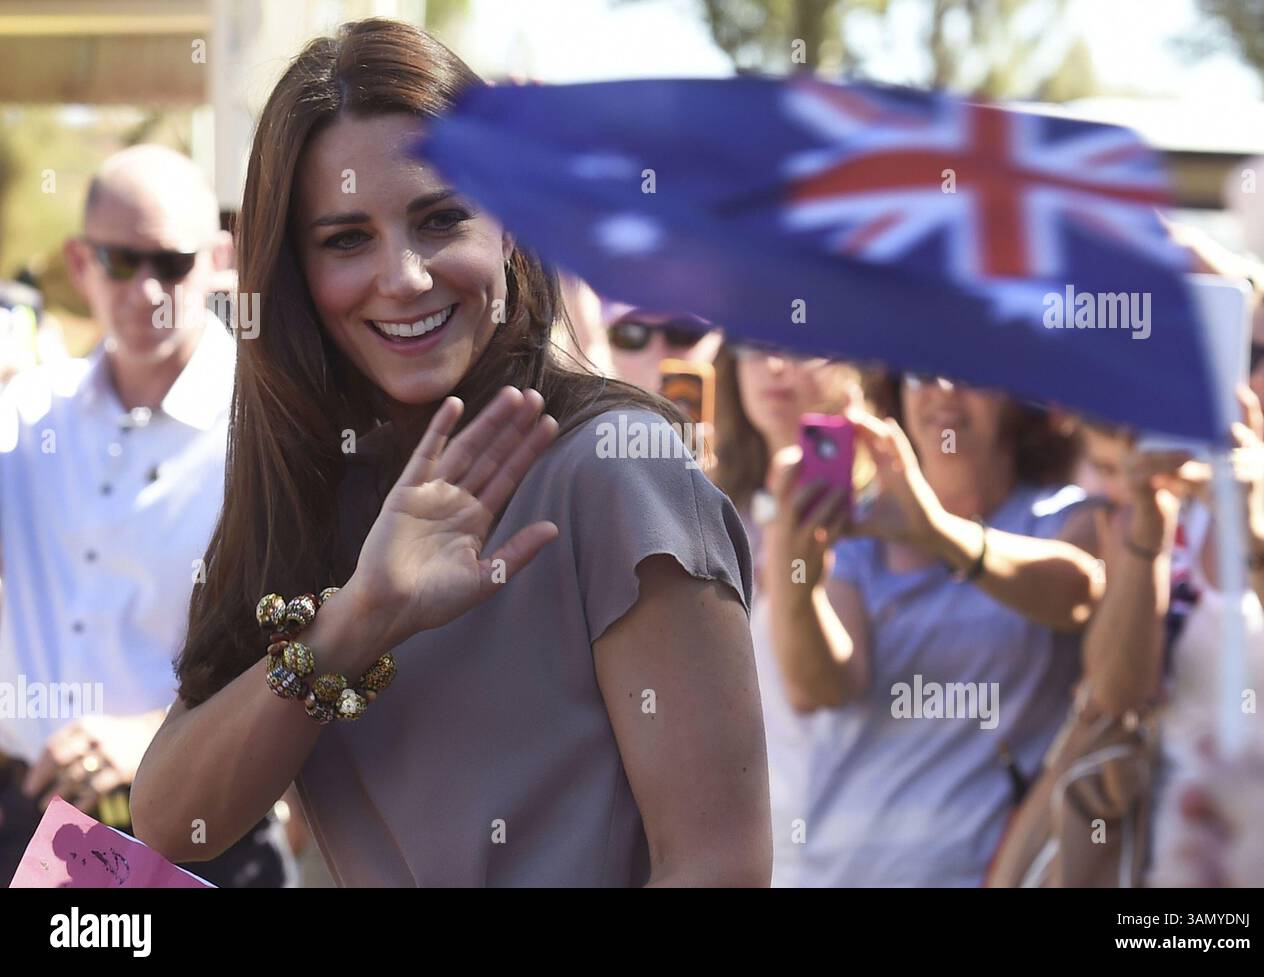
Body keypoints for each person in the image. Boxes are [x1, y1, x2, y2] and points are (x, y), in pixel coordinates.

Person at [129, 18, 769, 888]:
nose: (405, 277)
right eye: (346, 239)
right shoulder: (310, 482)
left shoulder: (618, 469)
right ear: (293, 274)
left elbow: (717, 866)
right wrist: (357, 621)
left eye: (440, 219)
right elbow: (174, 821)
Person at [0, 145, 294, 886]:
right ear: (80, 261)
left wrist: (148, 739)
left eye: (172, 261)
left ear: (222, 258)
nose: (148, 289)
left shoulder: (272, 431)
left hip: (206, 834)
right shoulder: (25, 413)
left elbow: (317, 640)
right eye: (121, 261)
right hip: (32, 829)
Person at [764, 373, 1105, 885]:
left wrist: (936, 532)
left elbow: (1078, 592)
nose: (943, 388)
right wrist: (796, 577)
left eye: (970, 370)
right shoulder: (859, 534)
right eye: (921, 369)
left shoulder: (1066, 517)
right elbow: (819, 689)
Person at [1078, 278, 1264, 886]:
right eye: (1250, 357)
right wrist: (1149, 523)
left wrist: (1254, 535)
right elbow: (1116, 692)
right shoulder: (1184, 510)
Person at [708, 341, 868, 886]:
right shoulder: (710, 504)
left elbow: (821, 689)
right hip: (742, 844)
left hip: (851, 848)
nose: (773, 367)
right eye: (751, 347)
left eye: (798, 345)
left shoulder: (885, 513)